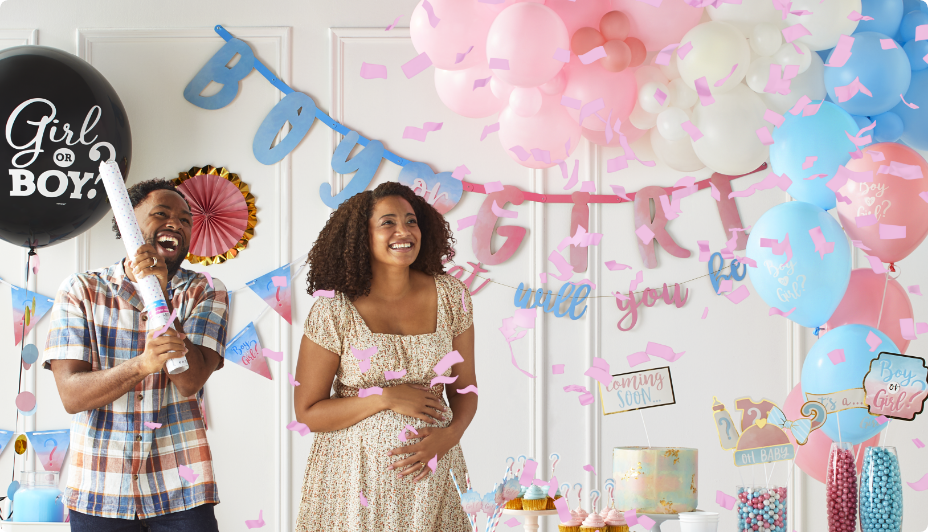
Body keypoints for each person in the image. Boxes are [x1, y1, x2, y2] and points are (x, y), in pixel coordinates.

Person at [43, 179, 228, 531]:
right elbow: (72, 395)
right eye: (162, 213)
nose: (177, 223)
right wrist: (143, 365)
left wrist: (158, 296)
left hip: (182, 490)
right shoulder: (81, 290)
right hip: (99, 489)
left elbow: (189, 380)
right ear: (127, 222)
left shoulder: (205, 290)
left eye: (186, 220)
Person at [294, 182, 478, 532]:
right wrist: (383, 398)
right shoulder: (334, 310)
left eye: (411, 221)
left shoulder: (452, 295)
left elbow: (466, 388)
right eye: (388, 222)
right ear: (362, 236)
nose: (403, 231)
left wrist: (449, 436)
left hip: (432, 482)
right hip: (353, 485)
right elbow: (308, 413)